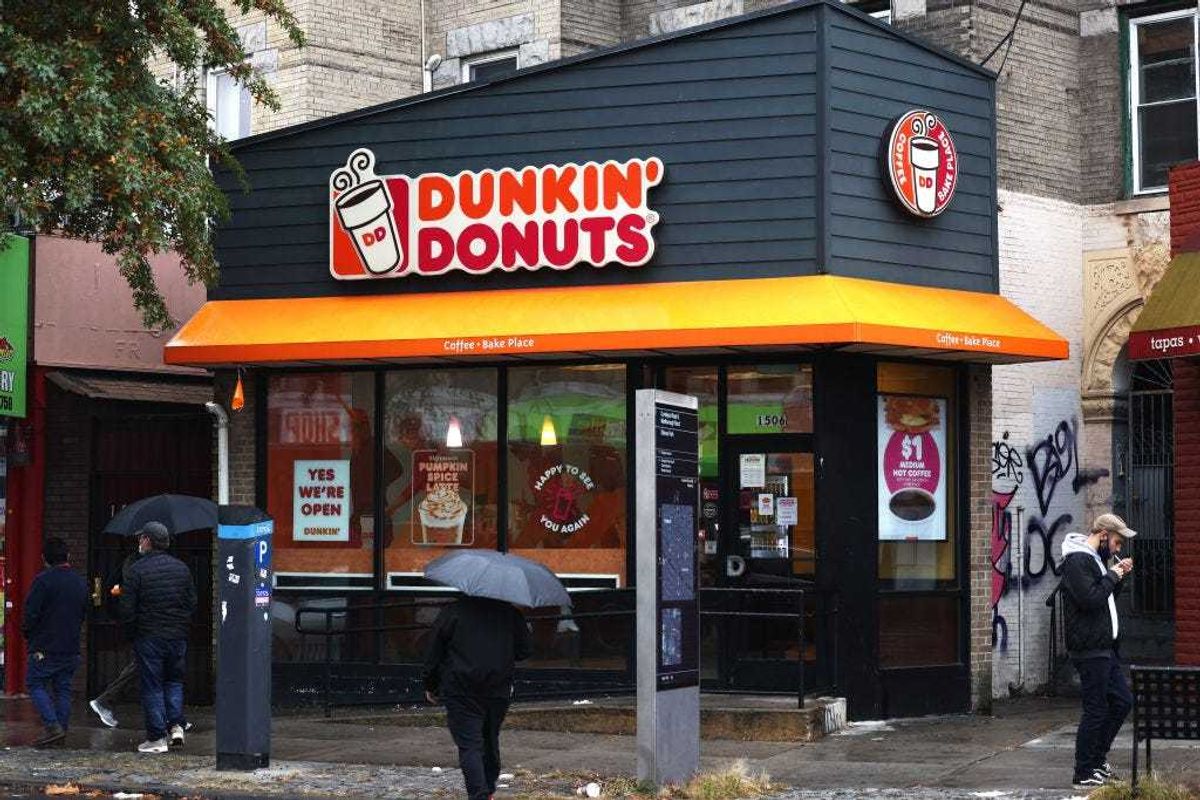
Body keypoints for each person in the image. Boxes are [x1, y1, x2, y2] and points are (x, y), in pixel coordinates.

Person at [422, 596, 532, 800]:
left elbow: (434, 650)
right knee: (490, 739)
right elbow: (525, 650)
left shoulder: (453, 611)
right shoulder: (510, 614)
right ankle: (488, 789)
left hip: (461, 688)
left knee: (470, 745)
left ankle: (480, 794)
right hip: (497, 688)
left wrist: (431, 684)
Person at [1061, 513, 1137, 789]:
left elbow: (1105, 601)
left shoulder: (1093, 560)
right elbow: (1090, 600)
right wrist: (1112, 576)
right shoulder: (1078, 560)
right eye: (1117, 542)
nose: (1118, 549)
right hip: (1089, 647)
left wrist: (1118, 578)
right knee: (1095, 709)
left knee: (1122, 701)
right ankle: (1083, 771)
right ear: (1103, 535)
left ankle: (1096, 759)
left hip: (1105, 647)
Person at [119, 521, 197, 754]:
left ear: (147, 541)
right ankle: (175, 726)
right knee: (173, 681)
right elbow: (191, 602)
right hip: (177, 635)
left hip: (149, 636)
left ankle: (156, 738)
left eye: (141, 538)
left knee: (152, 685)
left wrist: (131, 631)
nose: (139, 542)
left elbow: (127, 610)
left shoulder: (136, 571)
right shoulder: (182, 569)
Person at [22, 537, 89, 748]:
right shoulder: (80, 582)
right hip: (70, 644)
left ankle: (52, 726)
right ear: (67, 556)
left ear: (45, 559)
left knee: (35, 683)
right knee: (63, 688)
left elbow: (31, 613)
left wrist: (29, 635)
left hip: (45, 644)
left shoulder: (43, 581)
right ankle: (61, 729)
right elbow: (83, 612)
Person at [88, 543, 143, 728]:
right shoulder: (133, 564)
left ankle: (174, 718)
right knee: (141, 665)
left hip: (140, 622)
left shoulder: (132, 563)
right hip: (140, 624)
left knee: (148, 667)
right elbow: (118, 590)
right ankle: (104, 700)